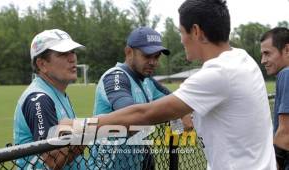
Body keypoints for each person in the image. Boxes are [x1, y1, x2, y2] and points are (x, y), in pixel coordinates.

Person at [73, 0, 276, 169]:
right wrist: (181, 111)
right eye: (147, 55)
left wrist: (80, 126)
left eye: (181, 32)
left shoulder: (218, 73)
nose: (181, 40)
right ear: (129, 52)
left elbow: (144, 115)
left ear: (195, 31)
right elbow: (156, 107)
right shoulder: (242, 58)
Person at [89, 26, 193, 169]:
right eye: (147, 55)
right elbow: (132, 119)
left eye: (156, 56)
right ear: (129, 52)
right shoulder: (116, 77)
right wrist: (176, 114)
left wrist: (182, 112)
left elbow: (177, 101)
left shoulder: (147, 80)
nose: (153, 62)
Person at [13, 29, 85, 169]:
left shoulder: (56, 92)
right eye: (63, 54)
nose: (72, 58)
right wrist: (90, 128)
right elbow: (53, 160)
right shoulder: (39, 99)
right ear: (42, 64)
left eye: (73, 52)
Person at [260, 27, 289, 170]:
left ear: (287, 50)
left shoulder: (287, 74)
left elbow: (286, 132)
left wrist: (275, 163)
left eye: (267, 53)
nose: (263, 60)